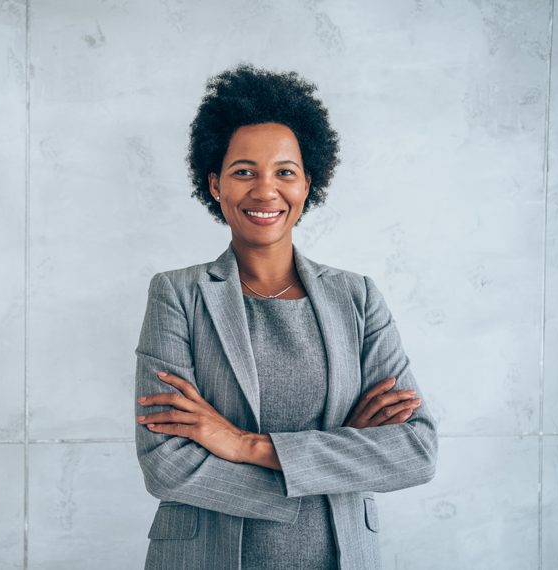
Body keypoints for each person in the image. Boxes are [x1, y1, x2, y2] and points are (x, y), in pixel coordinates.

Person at [133, 64, 438, 570]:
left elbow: (414, 449)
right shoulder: (177, 295)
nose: (265, 190)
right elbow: (166, 463)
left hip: (338, 554)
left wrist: (241, 444)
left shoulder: (357, 297)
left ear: (307, 184)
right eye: (244, 171)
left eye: (285, 172)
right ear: (215, 184)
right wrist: (339, 455)